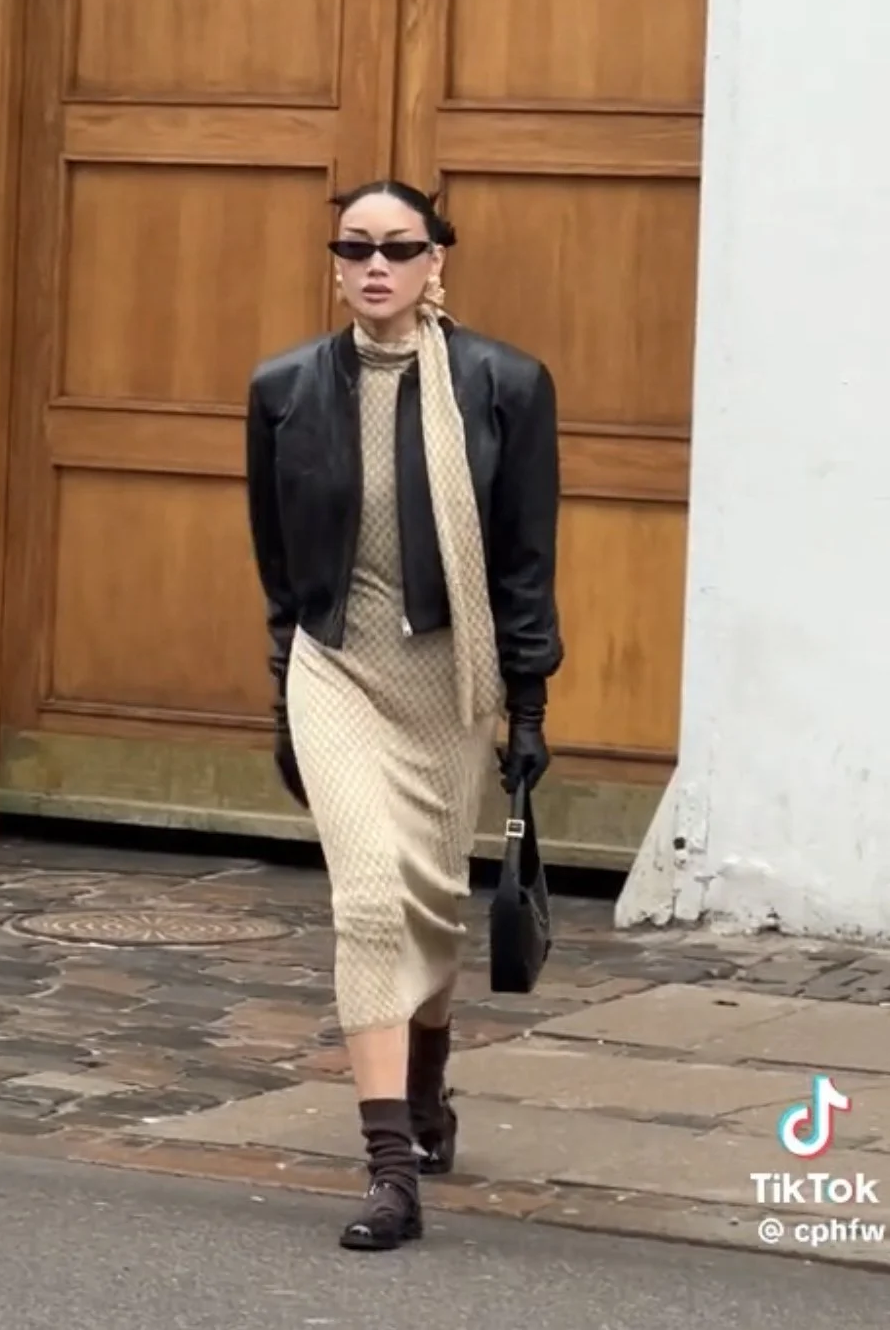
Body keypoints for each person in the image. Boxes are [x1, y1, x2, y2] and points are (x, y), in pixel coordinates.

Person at [244, 179, 563, 1251]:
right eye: (355, 248)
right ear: (336, 264)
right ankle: (389, 1168)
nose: (375, 265)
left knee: (430, 908)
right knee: (372, 901)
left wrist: (527, 705)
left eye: (397, 247)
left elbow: (524, 560)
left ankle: (428, 1091)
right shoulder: (284, 388)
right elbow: (279, 567)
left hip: (450, 681)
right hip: (336, 671)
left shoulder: (505, 384)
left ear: (437, 262)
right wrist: (284, 694)